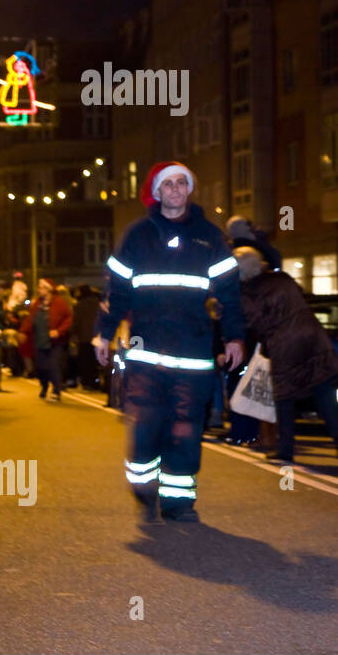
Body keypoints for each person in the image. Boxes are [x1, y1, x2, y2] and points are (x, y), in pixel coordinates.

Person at [93, 160, 245, 523]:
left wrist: (235, 337)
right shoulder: (136, 235)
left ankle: (178, 501)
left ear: (189, 190)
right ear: (157, 192)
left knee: (186, 425)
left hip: (193, 350)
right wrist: (104, 331)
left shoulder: (210, 237)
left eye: (182, 183)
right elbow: (117, 292)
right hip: (146, 347)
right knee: (146, 420)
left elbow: (230, 295)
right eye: (169, 184)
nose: (175, 189)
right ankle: (144, 485)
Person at [233, 243, 338, 462]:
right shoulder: (282, 279)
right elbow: (303, 298)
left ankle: (285, 450)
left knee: (284, 398)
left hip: (286, 344)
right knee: (324, 394)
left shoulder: (249, 292)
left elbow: (255, 324)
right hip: (315, 338)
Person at [21, 278, 71, 401]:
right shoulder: (37, 304)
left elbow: (68, 319)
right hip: (39, 341)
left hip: (55, 343)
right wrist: (22, 331)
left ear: (48, 289)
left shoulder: (59, 303)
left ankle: (56, 391)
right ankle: (44, 386)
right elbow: (30, 320)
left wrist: (59, 331)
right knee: (41, 367)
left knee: (53, 366)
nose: (38, 290)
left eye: (41, 287)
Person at [72, 285, 103, 391]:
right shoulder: (98, 303)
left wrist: (73, 333)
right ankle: (96, 381)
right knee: (95, 360)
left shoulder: (80, 305)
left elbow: (77, 321)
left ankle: (87, 382)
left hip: (84, 337)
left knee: (85, 360)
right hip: (97, 336)